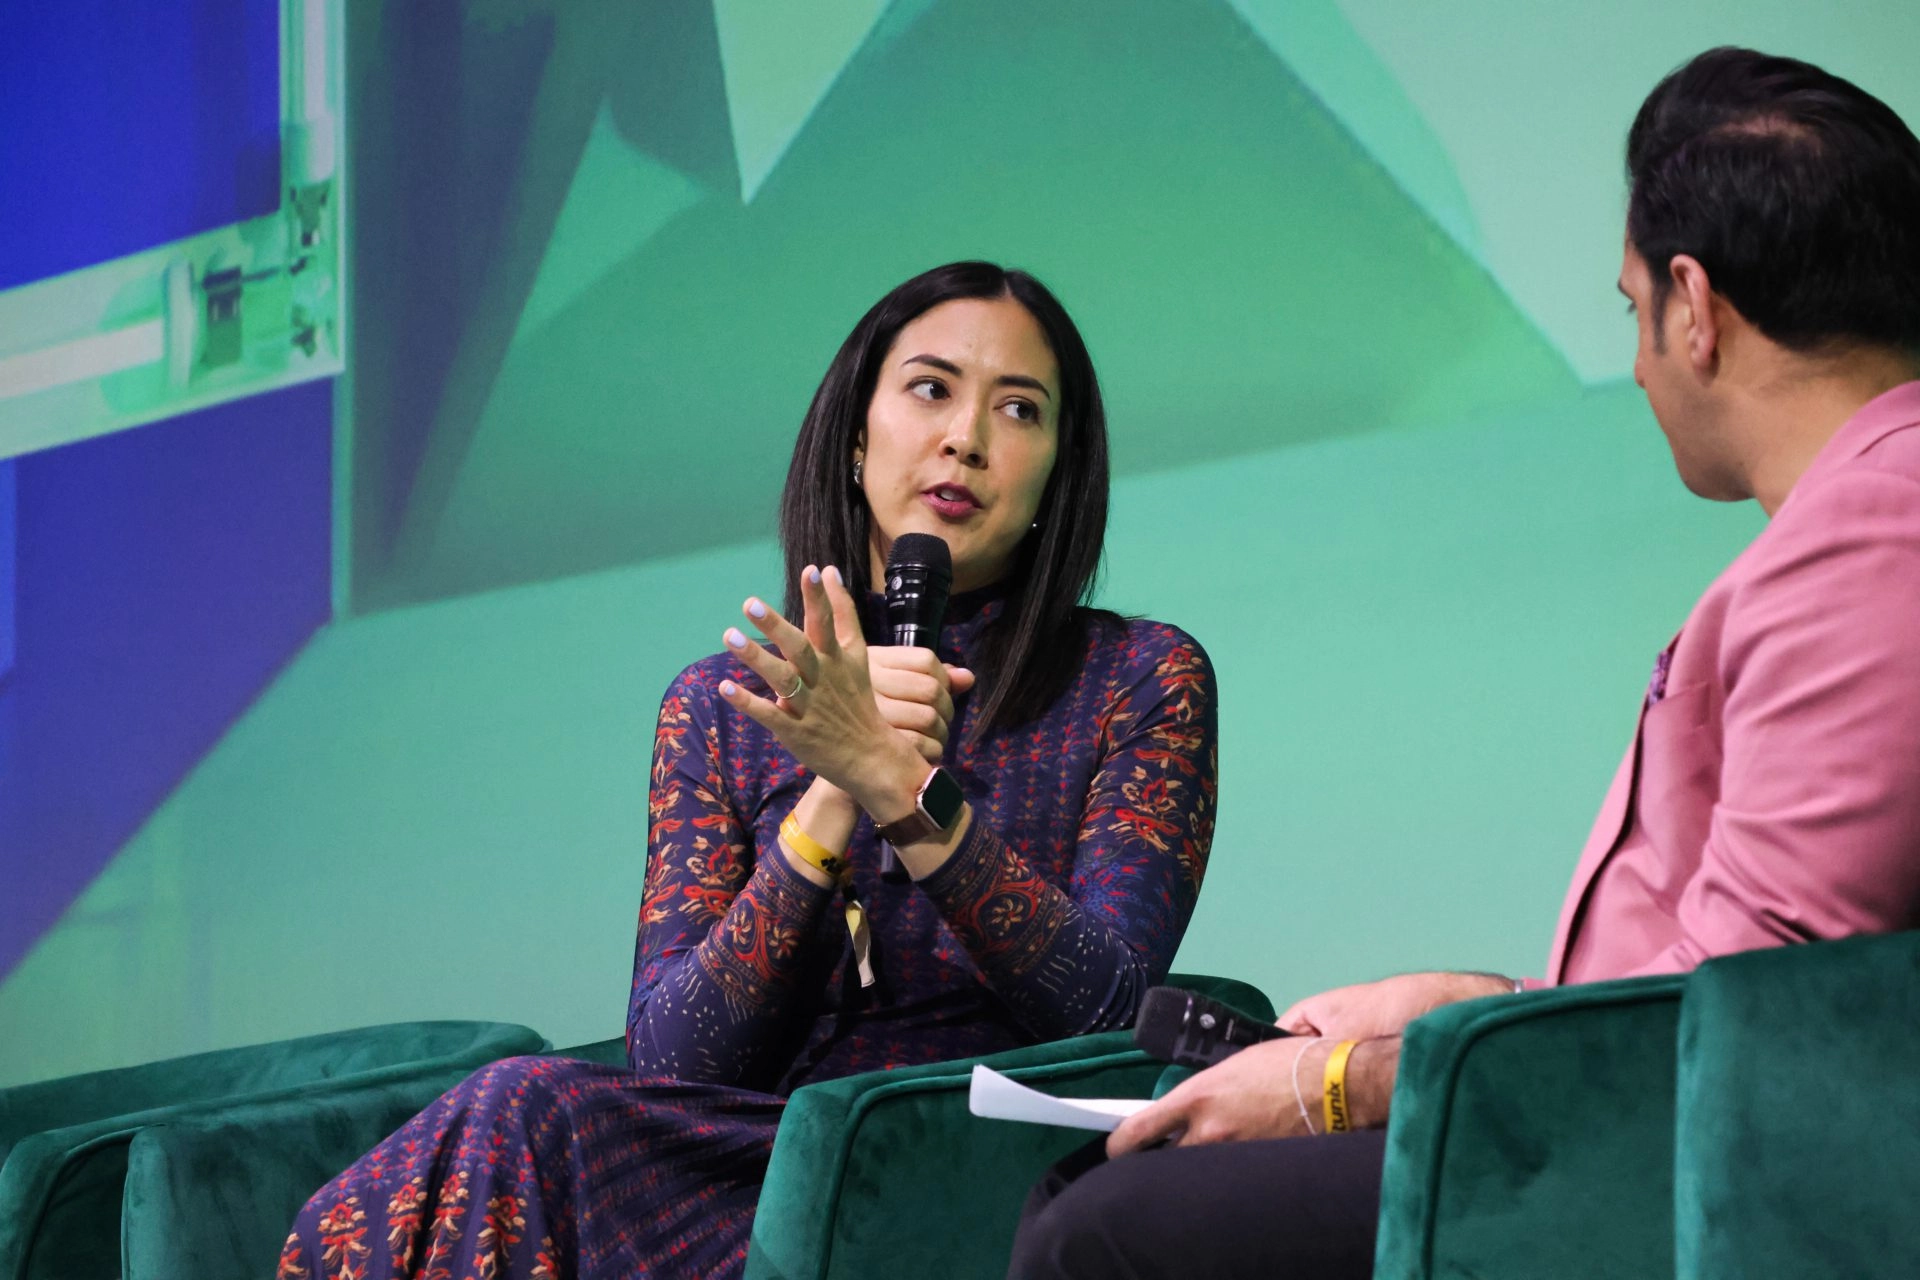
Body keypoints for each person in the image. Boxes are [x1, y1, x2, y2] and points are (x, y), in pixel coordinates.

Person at [1009, 46, 1920, 1280]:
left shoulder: (1874, 534)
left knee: (1103, 1226)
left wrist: (1344, 1083)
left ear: (1693, 307)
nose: (1639, 363)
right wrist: (1455, 1003)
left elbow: (1743, 1018)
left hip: (1656, 1174)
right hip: (1638, 1127)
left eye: (1631, 311)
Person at [276, 262, 1220, 1280]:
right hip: (752, 1166)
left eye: (1019, 409)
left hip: (981, 1164)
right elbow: (676, 1058)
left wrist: (906, 794)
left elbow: (1109, 1006)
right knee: (510, 1122)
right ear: (856, 437)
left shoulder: (1139, 677)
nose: (966, 438)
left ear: (1056, 472)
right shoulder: (722, 707)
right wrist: (835, 786)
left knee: (516, 1119)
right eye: (931, 388)